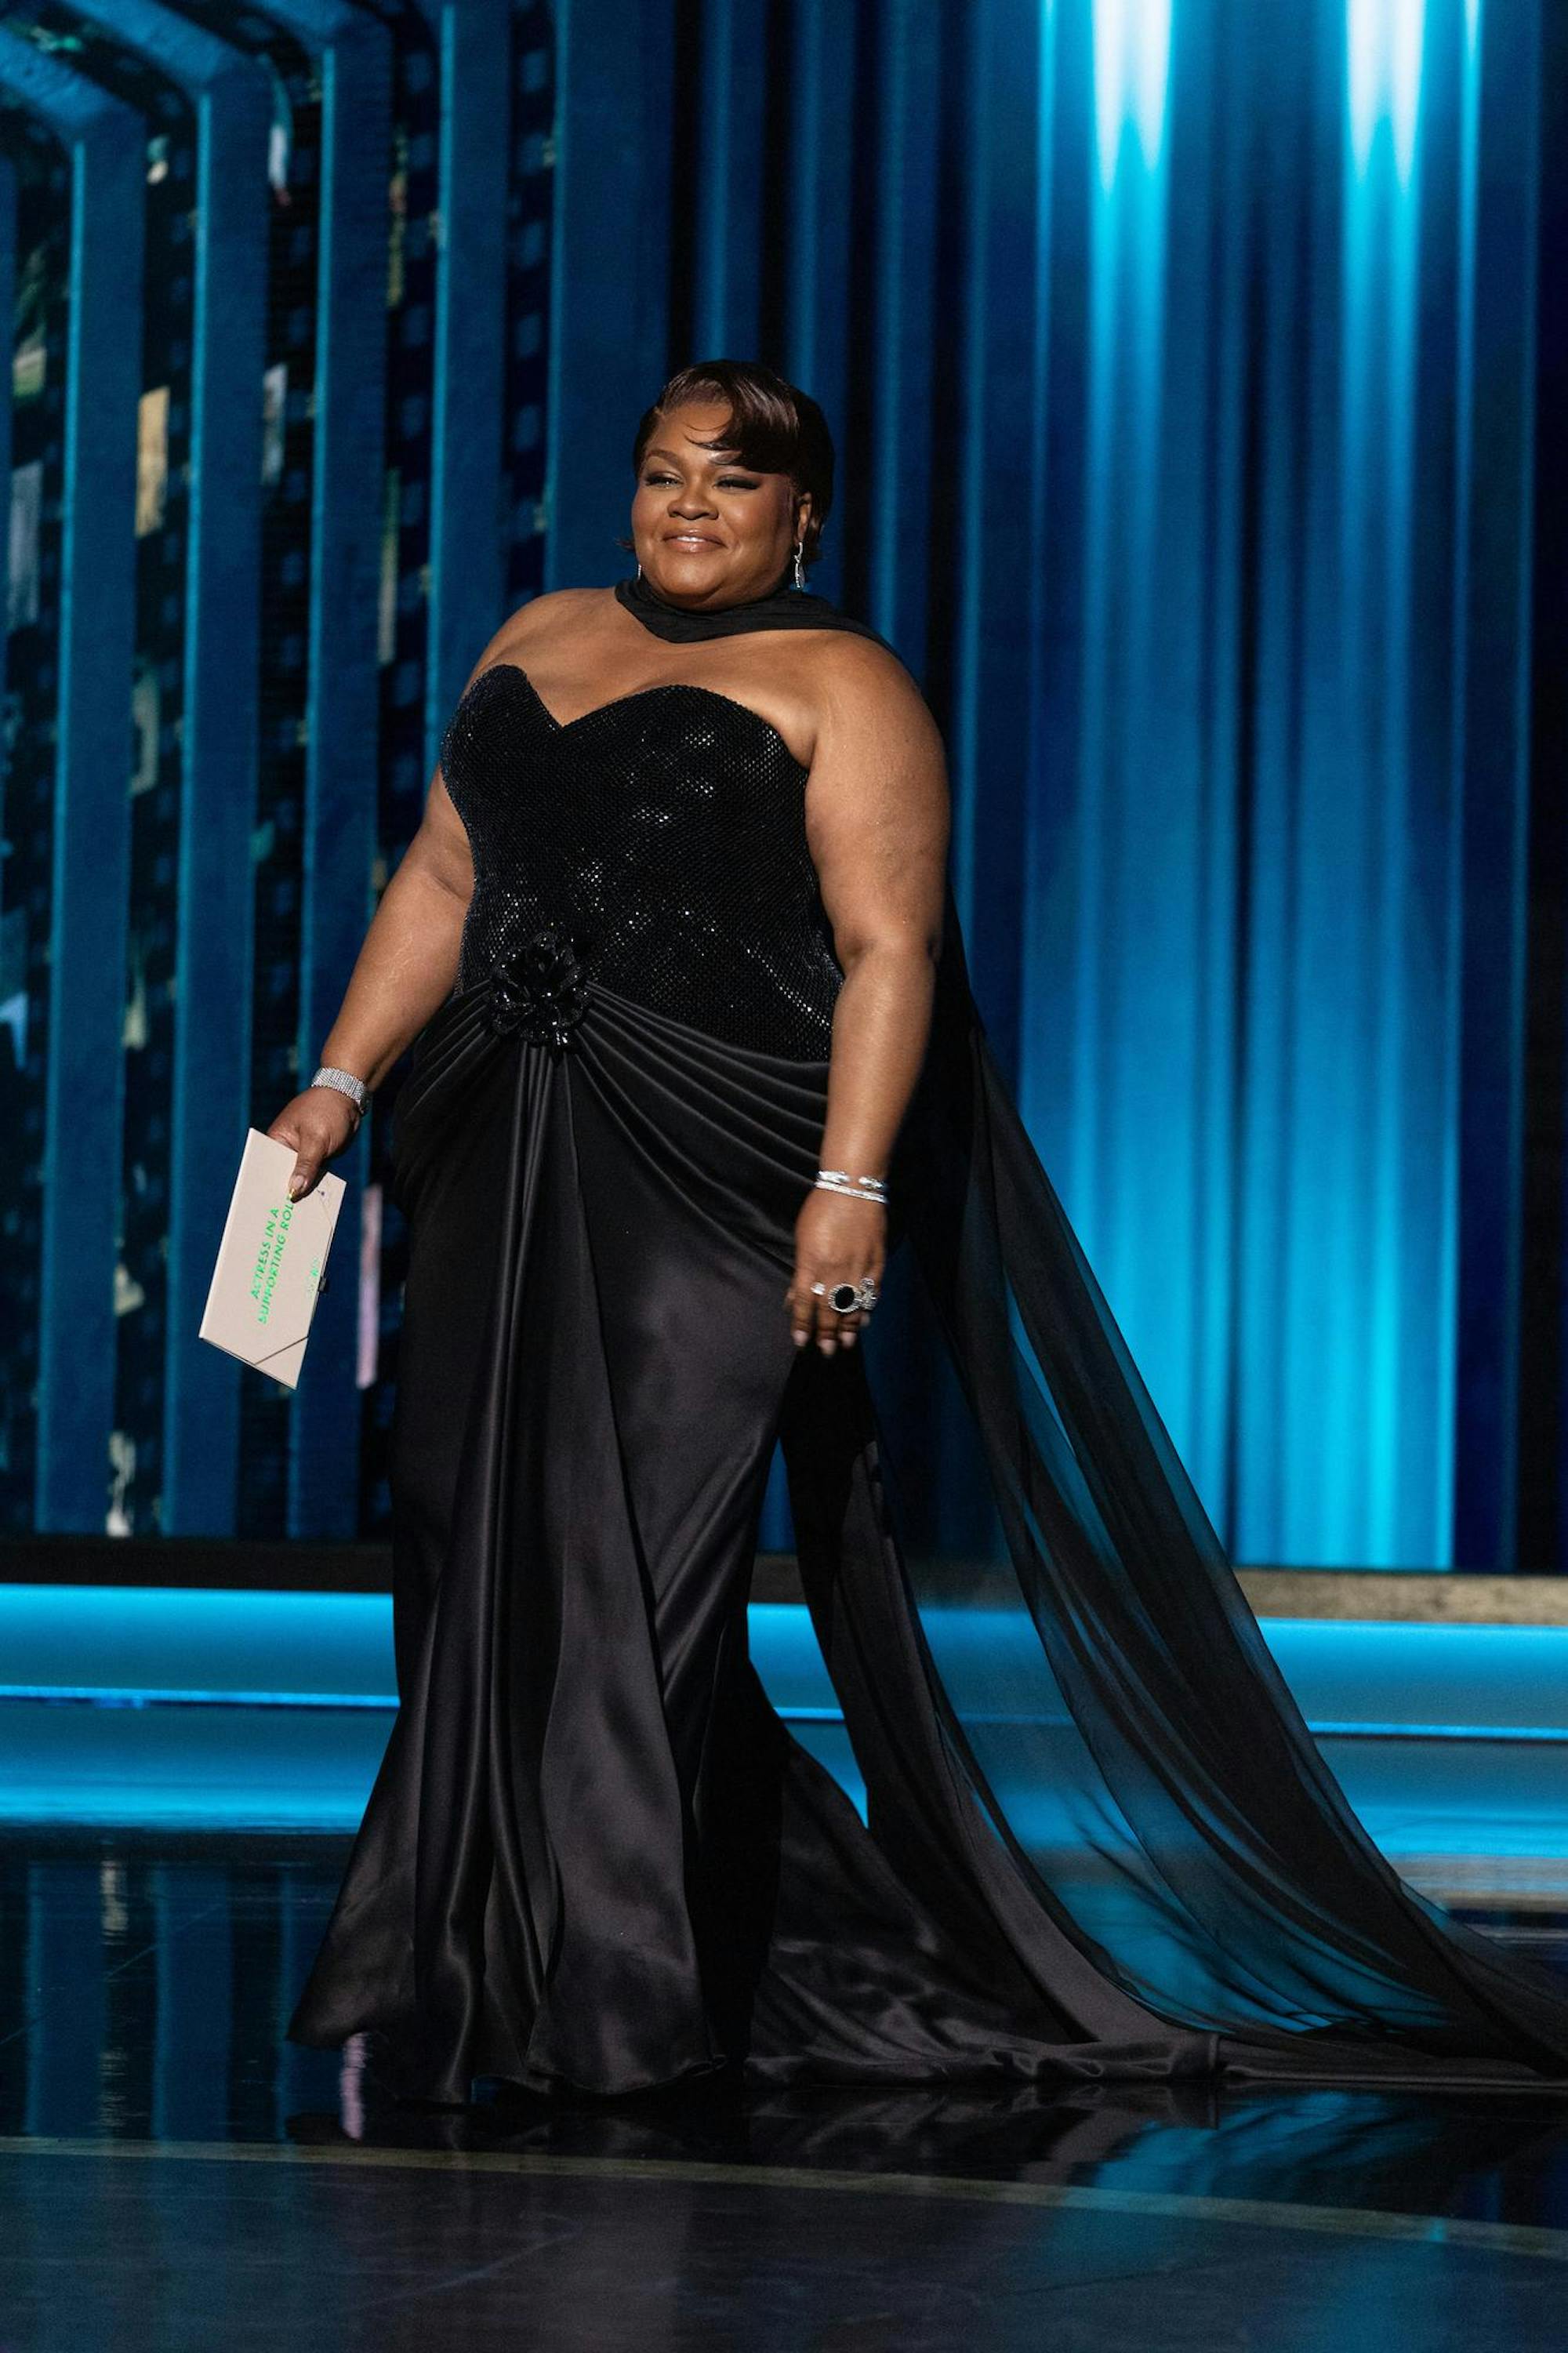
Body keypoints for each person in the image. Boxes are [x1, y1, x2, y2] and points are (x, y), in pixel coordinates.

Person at [281, 360, 1568, 2104]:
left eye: (734, 483)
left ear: (803, 516)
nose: (688, 505)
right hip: (499, 1146)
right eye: (664, 472)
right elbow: (445, 879)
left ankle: (609, 2002)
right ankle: (566, 1945)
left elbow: (889, 950)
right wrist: (338, 1083)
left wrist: (852, 1184)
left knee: (630, 1567)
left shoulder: (846, 683)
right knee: (471, 1539)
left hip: (715, 1170)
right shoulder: (535, 633)